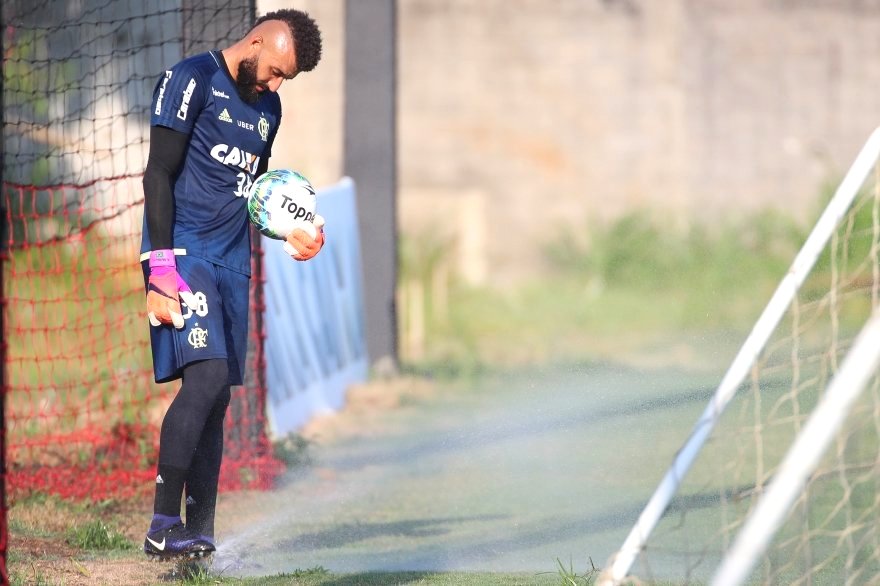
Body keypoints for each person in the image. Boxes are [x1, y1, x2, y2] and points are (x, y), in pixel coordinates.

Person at [139, 8, 324, 560]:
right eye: (274, 70)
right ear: (259, 40)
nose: (274, 83)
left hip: (231, 261)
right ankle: (161, 523)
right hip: (184, 253)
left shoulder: (270, 109)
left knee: (217, 395)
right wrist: (161, 269)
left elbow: (256, 193)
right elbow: (157, 173)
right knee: (205, 378)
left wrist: (296, 232)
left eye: (283, 79)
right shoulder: (190, 78)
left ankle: (198, 534)